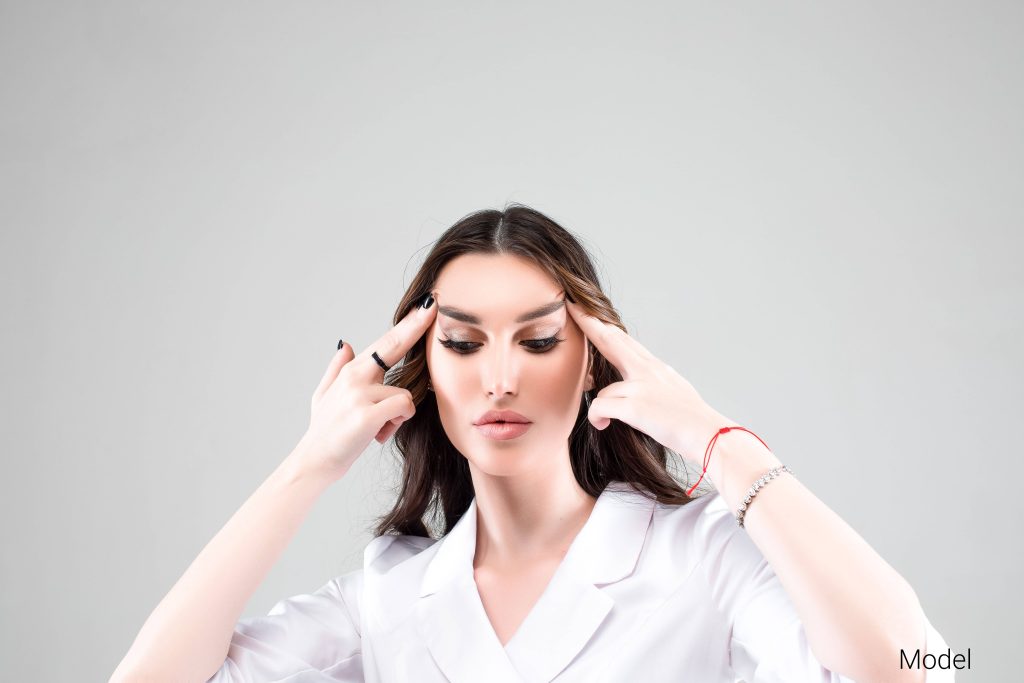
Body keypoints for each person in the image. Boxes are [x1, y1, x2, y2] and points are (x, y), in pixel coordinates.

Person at [111, 205, 953, 682]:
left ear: (591, 359)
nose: (500, 378)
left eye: (540, 341)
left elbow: (925, 664)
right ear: (424, 370)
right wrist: (306, 465)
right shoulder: (391, 594)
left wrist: (716, 440)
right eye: (465, 344)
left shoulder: (700, 555)